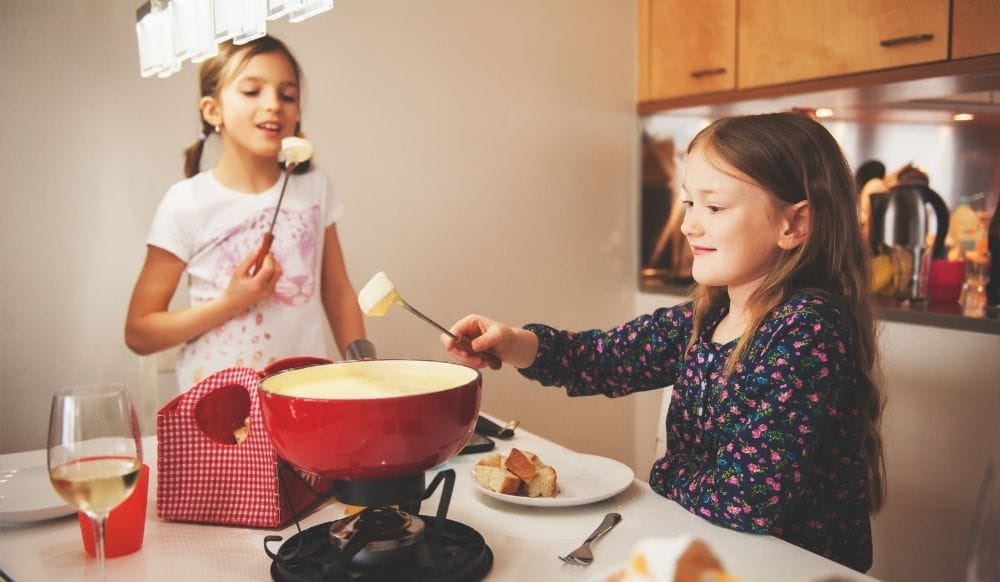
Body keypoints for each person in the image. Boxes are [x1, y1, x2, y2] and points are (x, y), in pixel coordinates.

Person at [443, 112, 886, 572]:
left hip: (795, 568)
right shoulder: (707, 315)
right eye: (689, 203)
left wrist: (664, 471)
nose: (689, 225)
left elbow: (745, 501)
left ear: (793, 225)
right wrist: (513, 343)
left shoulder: (805, 329)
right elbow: (602, 358)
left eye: (713, 207)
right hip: (722, 553)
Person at [125, 36, 366, 390]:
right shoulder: (186, 202)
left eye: (287, 95)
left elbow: (339, 293)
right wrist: (232, 302)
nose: (273, 105)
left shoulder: (315, 187)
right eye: (252, 91)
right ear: (213, 110)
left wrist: (364, 369)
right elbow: (139, 332)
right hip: (218, 407)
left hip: (302, 396)